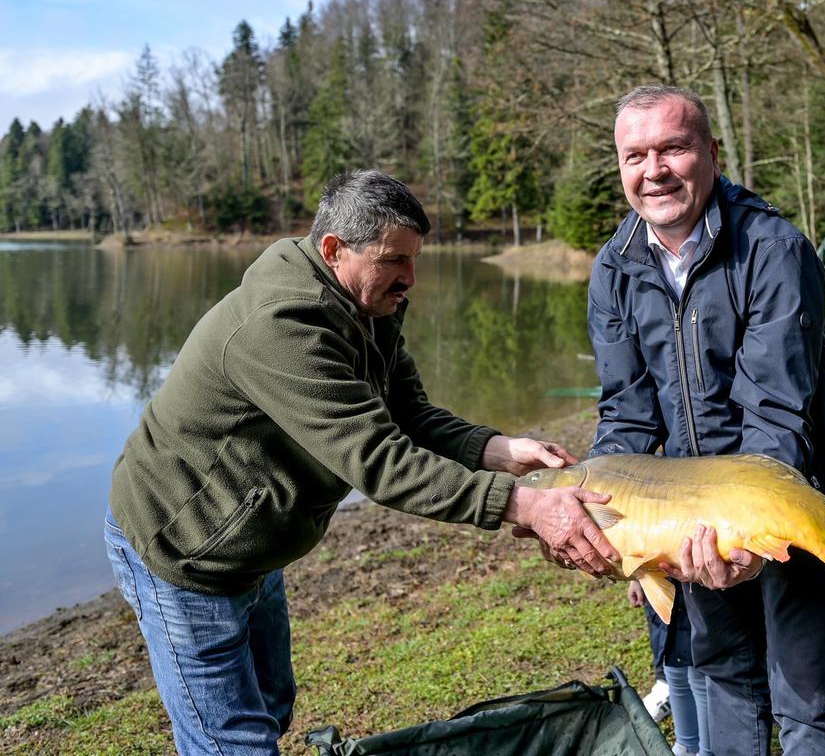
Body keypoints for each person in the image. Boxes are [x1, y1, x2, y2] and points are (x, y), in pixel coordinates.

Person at [104, 169, 619, 756]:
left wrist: (496, 450)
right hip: (185, 548)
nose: (411, 279)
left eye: (414, 259)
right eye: (395, 260)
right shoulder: (281, 327)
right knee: (233, 741)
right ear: (333, 250)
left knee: (271, 704)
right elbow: (377, 460)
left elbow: (405, 412)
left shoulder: (369, 303)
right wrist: (522, 504)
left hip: (248, 538)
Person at [587, 86, 825, 756]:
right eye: (635, 155)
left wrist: (749, 533)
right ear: (620, 168)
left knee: (804, 698)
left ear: (711, 153)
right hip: (690, 513)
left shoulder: (773, 248)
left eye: (672, 148)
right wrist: (620, 529)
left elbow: (775, 411)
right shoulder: (613, 268)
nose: (653, 170)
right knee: (725, 685)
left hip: (795, 492)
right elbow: (625, 412)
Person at [630, 580, 709, 756]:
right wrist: (638, 578)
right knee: (674, 670)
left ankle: (706, 751)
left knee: (699, 676)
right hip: (661, 584)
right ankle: (686, 745)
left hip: (698, 583)